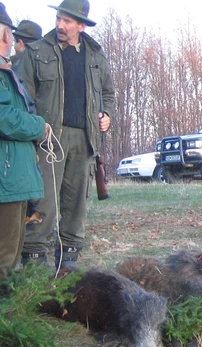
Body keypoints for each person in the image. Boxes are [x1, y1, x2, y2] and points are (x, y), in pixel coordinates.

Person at [18, 0, 116, 269]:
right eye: (59, 19)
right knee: (43, 203)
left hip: (84, 140)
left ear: (81, 26)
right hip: (48, 140)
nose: (60, 25)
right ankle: (34, 266)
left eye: (67, 21)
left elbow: (108, 93)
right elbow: (22, 94)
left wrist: (107, 115)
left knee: (76, 206)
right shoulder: (37, 51)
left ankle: (68, 264)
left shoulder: (96, 55)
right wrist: (36, 128)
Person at [0, 2, 49, 280]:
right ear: (7, 36)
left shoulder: (7, 71)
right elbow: (4, 116)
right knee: (3, 261)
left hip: (14, 180)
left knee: (9, 256)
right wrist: (39, 125)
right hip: (6, 181)